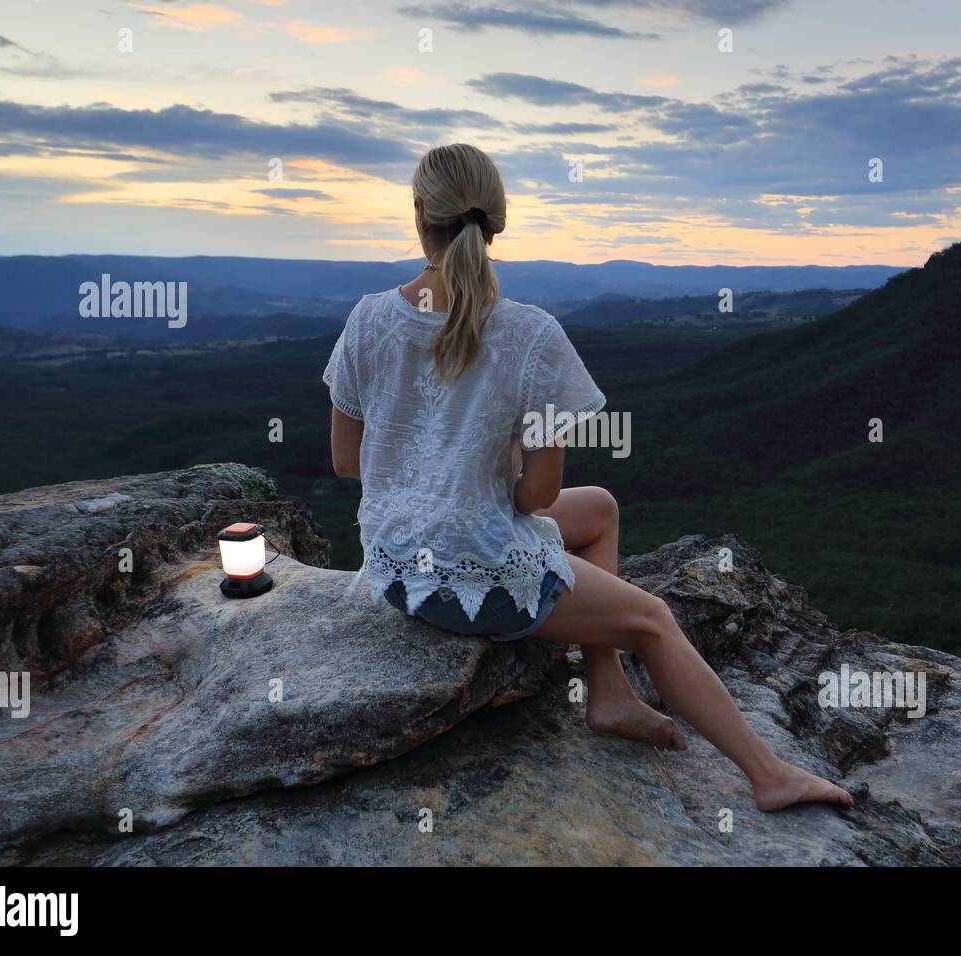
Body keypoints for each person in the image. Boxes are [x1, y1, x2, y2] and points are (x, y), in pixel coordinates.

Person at [325, 144, 851, 811]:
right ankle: (770, 776)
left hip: (396, 569)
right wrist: (487, 481)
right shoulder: (530, 335)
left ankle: (609, 692)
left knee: (598, 508)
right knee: (655, 619)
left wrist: (458, 480)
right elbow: (537, 496)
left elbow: (349, 463)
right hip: (470, 585)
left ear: (420, 211)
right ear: (498, 222)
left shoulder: (369, 317)